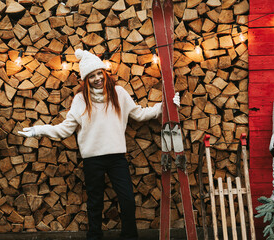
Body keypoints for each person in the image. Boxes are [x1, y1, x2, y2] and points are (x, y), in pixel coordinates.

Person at [18, 49, 179, 240]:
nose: (97, 78)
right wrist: (39, 130)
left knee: (127, 199)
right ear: (86, 80)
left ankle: (129, 236)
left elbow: (139, 114)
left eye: (98, 73)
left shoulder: (118, 93)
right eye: (91, 76)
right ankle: (94, 237)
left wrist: (164, 106)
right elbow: (65, 129)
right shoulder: (80, 100)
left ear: (104, 72)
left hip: (116, 157)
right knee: (95, 203)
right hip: (93, 159)